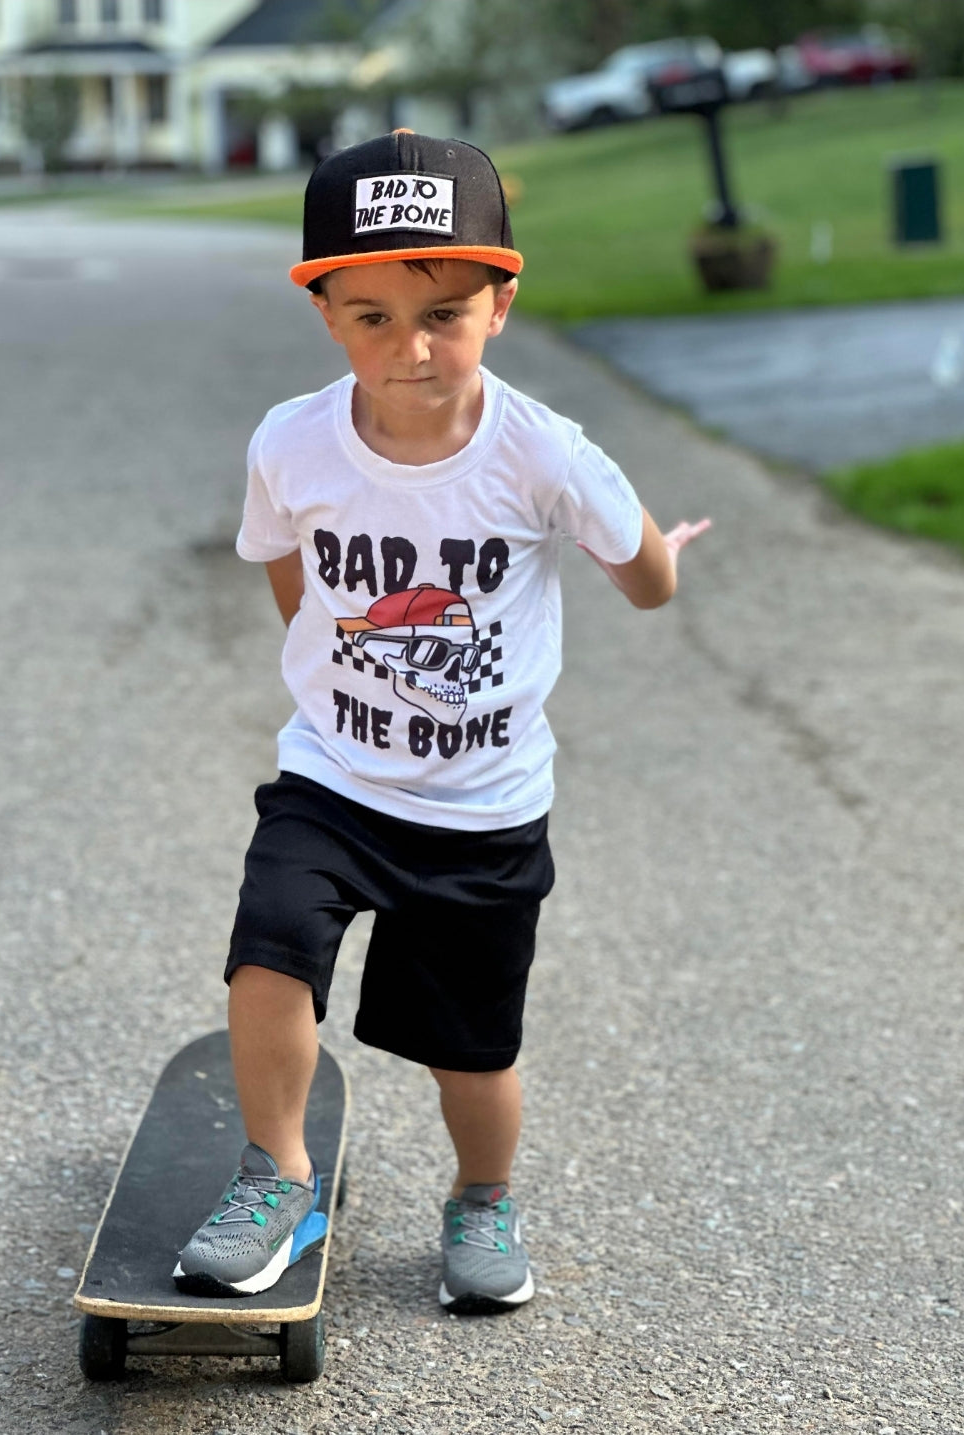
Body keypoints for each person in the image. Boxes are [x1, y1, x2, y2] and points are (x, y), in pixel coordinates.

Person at [173, 130, 710, 1313]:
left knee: (472, 1047)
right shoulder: (292, 440)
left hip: (483, 806)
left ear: (501, 303)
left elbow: (645, 578)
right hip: (334, 778)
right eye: (369, 316)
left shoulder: (543, 453)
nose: (409, 351)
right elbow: (288, 568)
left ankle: (481, 1198)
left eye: (445, 315)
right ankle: (278, 1175)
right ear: (323, 310)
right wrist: (326, 680)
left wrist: (658, 555)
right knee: (269, 945)